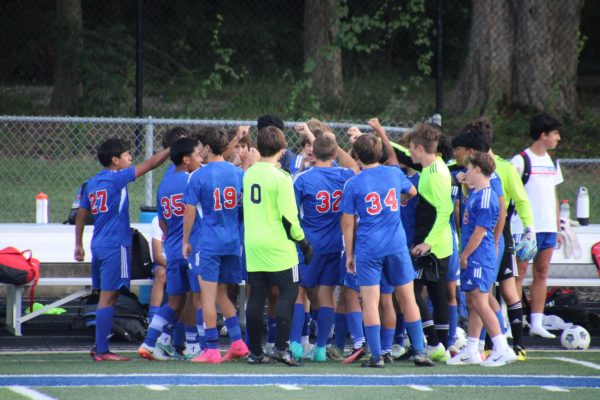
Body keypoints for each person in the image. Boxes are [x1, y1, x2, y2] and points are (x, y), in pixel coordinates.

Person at [341, 133, 433, 368]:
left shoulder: (353, 183)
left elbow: (348, 222)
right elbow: (412, 193)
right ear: (380, 152)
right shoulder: (394, 173)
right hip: (396, 245)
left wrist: (350, 255)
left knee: (370, 302)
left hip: (369, 247)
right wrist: (396, 199)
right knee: (407, 298)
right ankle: (420, 352)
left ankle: (376, 356)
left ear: (357, 156)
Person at [75, 137, 170, 361]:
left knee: (105, 296)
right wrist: (171, 149)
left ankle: (99, 346)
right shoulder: (117, 178)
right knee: (110, 296)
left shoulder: (92, 182)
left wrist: (78, 244)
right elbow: (152, 163)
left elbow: (81, 214)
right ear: (115, 160)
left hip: (98, 243)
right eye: (127, 155)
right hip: (115, 245)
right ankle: (101, 350)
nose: (130, 158)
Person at [463, 117, 535, 360]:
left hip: (496, 239)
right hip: (484, 239)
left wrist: (528, 229)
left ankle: (511, 343)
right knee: (479, 294)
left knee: (503, 290)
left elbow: (512, 205)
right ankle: (476, 347)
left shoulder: (502, 169)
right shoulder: (472, 173)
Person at [243, 125, 313, 366]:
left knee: (256, 296)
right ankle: (281, 349)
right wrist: (303, 243)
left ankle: (255, 352)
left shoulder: (249, 173)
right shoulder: (281, 176)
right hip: (278, 245)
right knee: (289, 291)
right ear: (283, 150)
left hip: (253, 244)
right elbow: (290, 217)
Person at [290, 129, 358, 362]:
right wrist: (336, 146)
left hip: (308, 244)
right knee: (326, 293)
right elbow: (356, 168)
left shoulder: (303, 178)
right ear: (334, 153)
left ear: (312, 153)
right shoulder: (344, 175)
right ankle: (320, 348)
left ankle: (296, 345)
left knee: (299, 293)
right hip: (334, 244)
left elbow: (290, 214)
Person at [182, 127, 248, 363]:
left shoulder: (198, 175)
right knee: (222, 294)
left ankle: (211, 348)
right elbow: (243, 209)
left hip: (208, 242)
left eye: (201, 146)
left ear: (208, 148)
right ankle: (238, 343)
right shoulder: (239, 173)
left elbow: (189, 212)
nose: (199, 150)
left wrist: (186, 240)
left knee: (208, 295)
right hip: (232, 241)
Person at [447, 152, 517, 366]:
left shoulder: (486, 196)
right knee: (473, 301)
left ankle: (501, 347)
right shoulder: (476, 193)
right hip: (475, 255)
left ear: (478, 169)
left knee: (480, 300)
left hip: (479, 256)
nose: (465, 172)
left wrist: (465, 254)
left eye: (468, 169)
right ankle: (471, 349)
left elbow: (480, 231)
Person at [137, 137, 203, 361]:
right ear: (186, 159)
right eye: (197, 154)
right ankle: (194, 345)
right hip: (191, 247)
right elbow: (196, 213)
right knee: (197, 298)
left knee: (175, 300)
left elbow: (162, 222)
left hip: (173, 248)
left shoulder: (164, 184)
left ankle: (152, 341)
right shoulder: (192, 179)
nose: (200, 159)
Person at [511, 113, 563, 339]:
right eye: (555, 134)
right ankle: (512, 321)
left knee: (541, 273)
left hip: (548, 228)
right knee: (518, 274)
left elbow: (553, 194)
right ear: (543, 135)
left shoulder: (552, 162)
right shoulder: (521, 160)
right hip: (525, 230)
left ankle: (537, 323)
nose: (558, 138)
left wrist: (558, 226)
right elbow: (510, 194)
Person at [406, 124, 454, 362]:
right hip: (439, 245)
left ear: (419, 147)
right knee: (436, 293)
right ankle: (442, 347)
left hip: (433, 246)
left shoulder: (434, 175)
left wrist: (428, 243)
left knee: (411, 291)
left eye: (412, 149)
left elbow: (446, 209)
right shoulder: (434, 167)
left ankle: (434, 342)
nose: (410, 153)